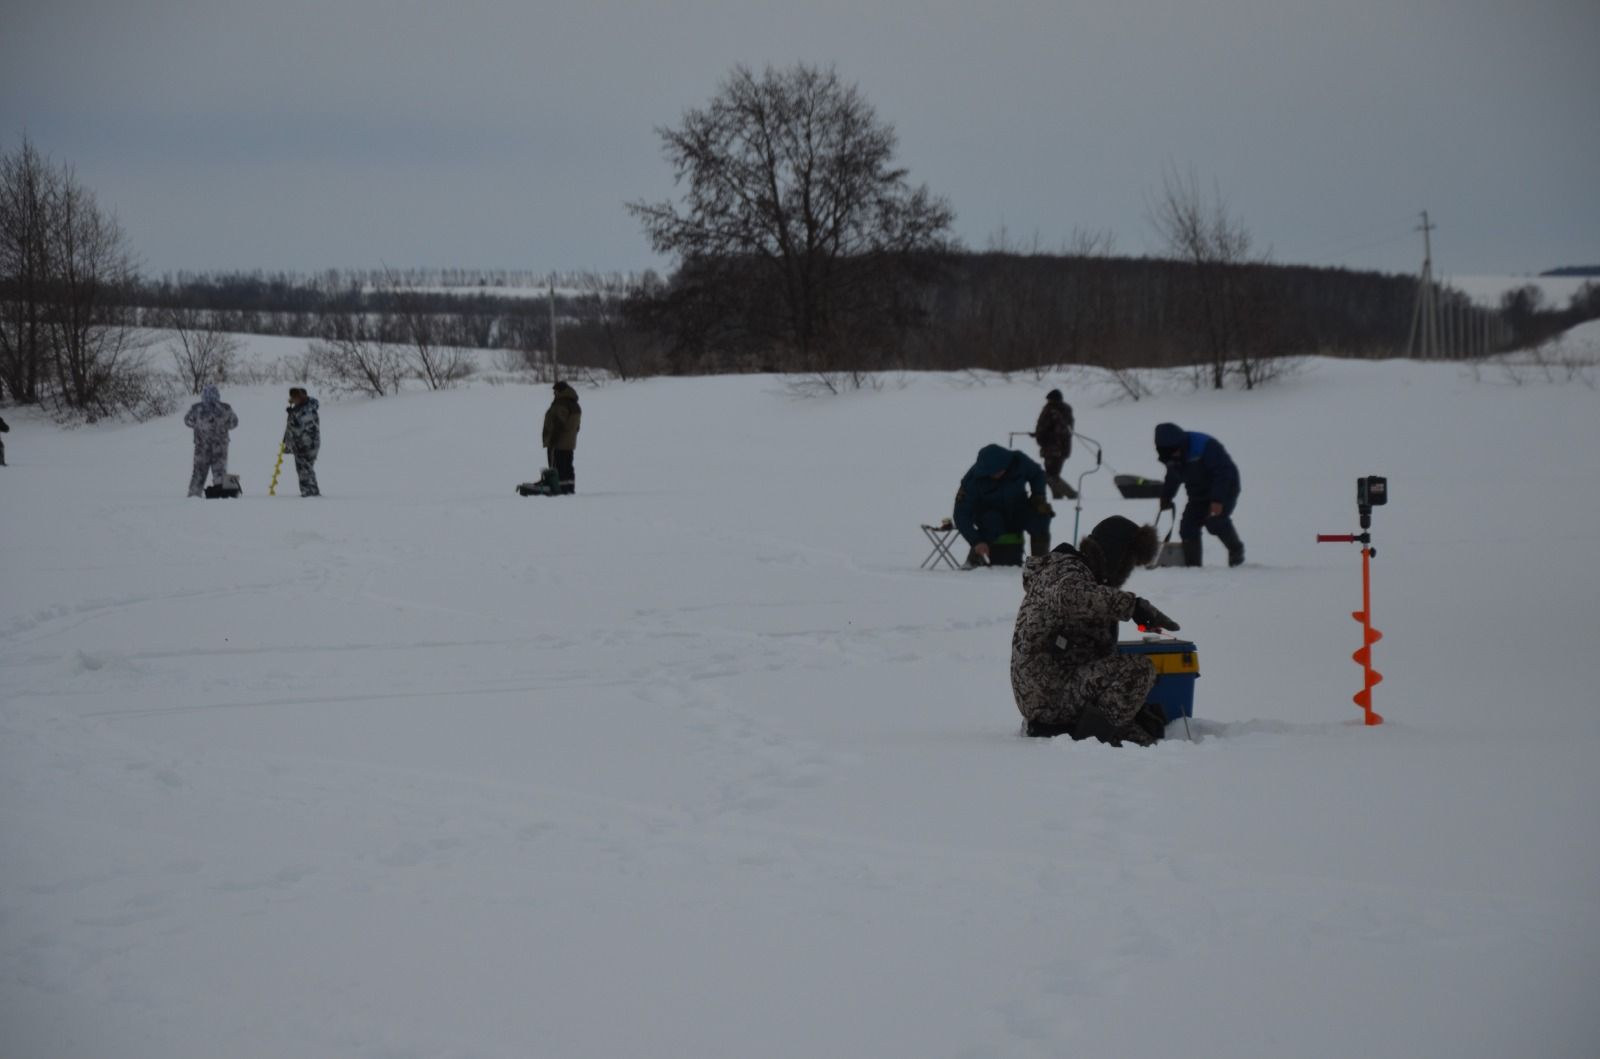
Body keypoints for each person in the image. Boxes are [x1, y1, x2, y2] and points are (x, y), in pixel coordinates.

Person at [1010, 515, 1177, 744]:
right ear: (1116, 554)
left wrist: (1134, 708)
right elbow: (1071, 596)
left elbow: (1097, 654)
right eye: (1128, 561)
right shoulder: (1066, 570)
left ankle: (1111, 730)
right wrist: (1133, 606)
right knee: (1139, 669)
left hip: (1055, 688)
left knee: (1145, 738)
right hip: (1049, 694)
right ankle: (1093, 740)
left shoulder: (1086, 579)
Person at [1154, 421, 1245, 567]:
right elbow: (1172, 476)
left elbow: (1223, 473)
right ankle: (1193, 567)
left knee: (1215, 521)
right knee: (1188, 527)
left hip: (1225, 487)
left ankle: (1236, 550)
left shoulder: (1205, 446)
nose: (1173, 457)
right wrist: (1166, 496)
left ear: (1180, 445)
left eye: (1175, 452)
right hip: (1197, 492)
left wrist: (1217, 500)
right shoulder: (1170, 455)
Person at [953, 444, 1055, 565]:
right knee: (993, 522)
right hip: (989, 515)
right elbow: (960, 514)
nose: (995, 475)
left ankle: (1040, 564)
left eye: (998, 471)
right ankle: (977, 556)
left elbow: (1037, 474)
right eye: (991, 473)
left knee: (1040, 517)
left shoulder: (1018, 461)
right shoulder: (972, 479)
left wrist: (1038, 496)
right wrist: (976, 541)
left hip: (1018, 508)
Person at [183, 384, 238, 497]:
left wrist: (199, 426)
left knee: (198, 472)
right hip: (220, 447)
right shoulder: (225, 408)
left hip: (201, 447)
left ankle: (194, 494)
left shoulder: (196, 408)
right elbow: (234, 423)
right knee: (220, 471)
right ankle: (224, 494)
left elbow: (187, 421)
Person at [1034, 389, 1076, 500]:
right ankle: (1057, 496)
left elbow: (1044, 427)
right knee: (1053, 474)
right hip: (1064, 447)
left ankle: (1071, 494)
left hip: (1051, 448)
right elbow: (1064, 430)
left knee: (1050, 476)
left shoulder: (1050, 410)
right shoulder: (1066, 409)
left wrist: (1040, 436)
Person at [542, 380, 581, 495]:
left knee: (558, 467)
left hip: (559, 443)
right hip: (569, 443)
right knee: (567, 466)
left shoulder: (561, 404)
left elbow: (558, 423)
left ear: (560, 391)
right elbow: (577, 427)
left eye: (555, 391)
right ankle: (569, 488)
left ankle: (559, 490)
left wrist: (553, 439)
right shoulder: (575, 405)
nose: (554, 394)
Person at [282, 387, 321, 496]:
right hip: (299, 444)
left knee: (305, 469)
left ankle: (309, 493)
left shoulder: (309, 409)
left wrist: (293, 417)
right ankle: (310, 492)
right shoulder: (298, 409)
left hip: (308, 444)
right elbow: (291, 428)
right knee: (304, 468)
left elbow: (301, 427)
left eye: (296, 397)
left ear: (303, 396)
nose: (294, 399)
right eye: (293, 397)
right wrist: (288, 443)